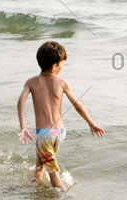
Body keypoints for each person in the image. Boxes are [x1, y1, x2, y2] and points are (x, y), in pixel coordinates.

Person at [17, 41, 105, 190]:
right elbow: (78, 105)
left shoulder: (31, 82)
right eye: (62, 63)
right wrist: (91, 123)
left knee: (53, 175)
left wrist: (24, 127)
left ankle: (64, 195)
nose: (63, 67)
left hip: (44, 135)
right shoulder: (62, 83)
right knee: (41, 162)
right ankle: (34, 184)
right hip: (59, 133)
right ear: (54, 66)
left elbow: (20, 102)